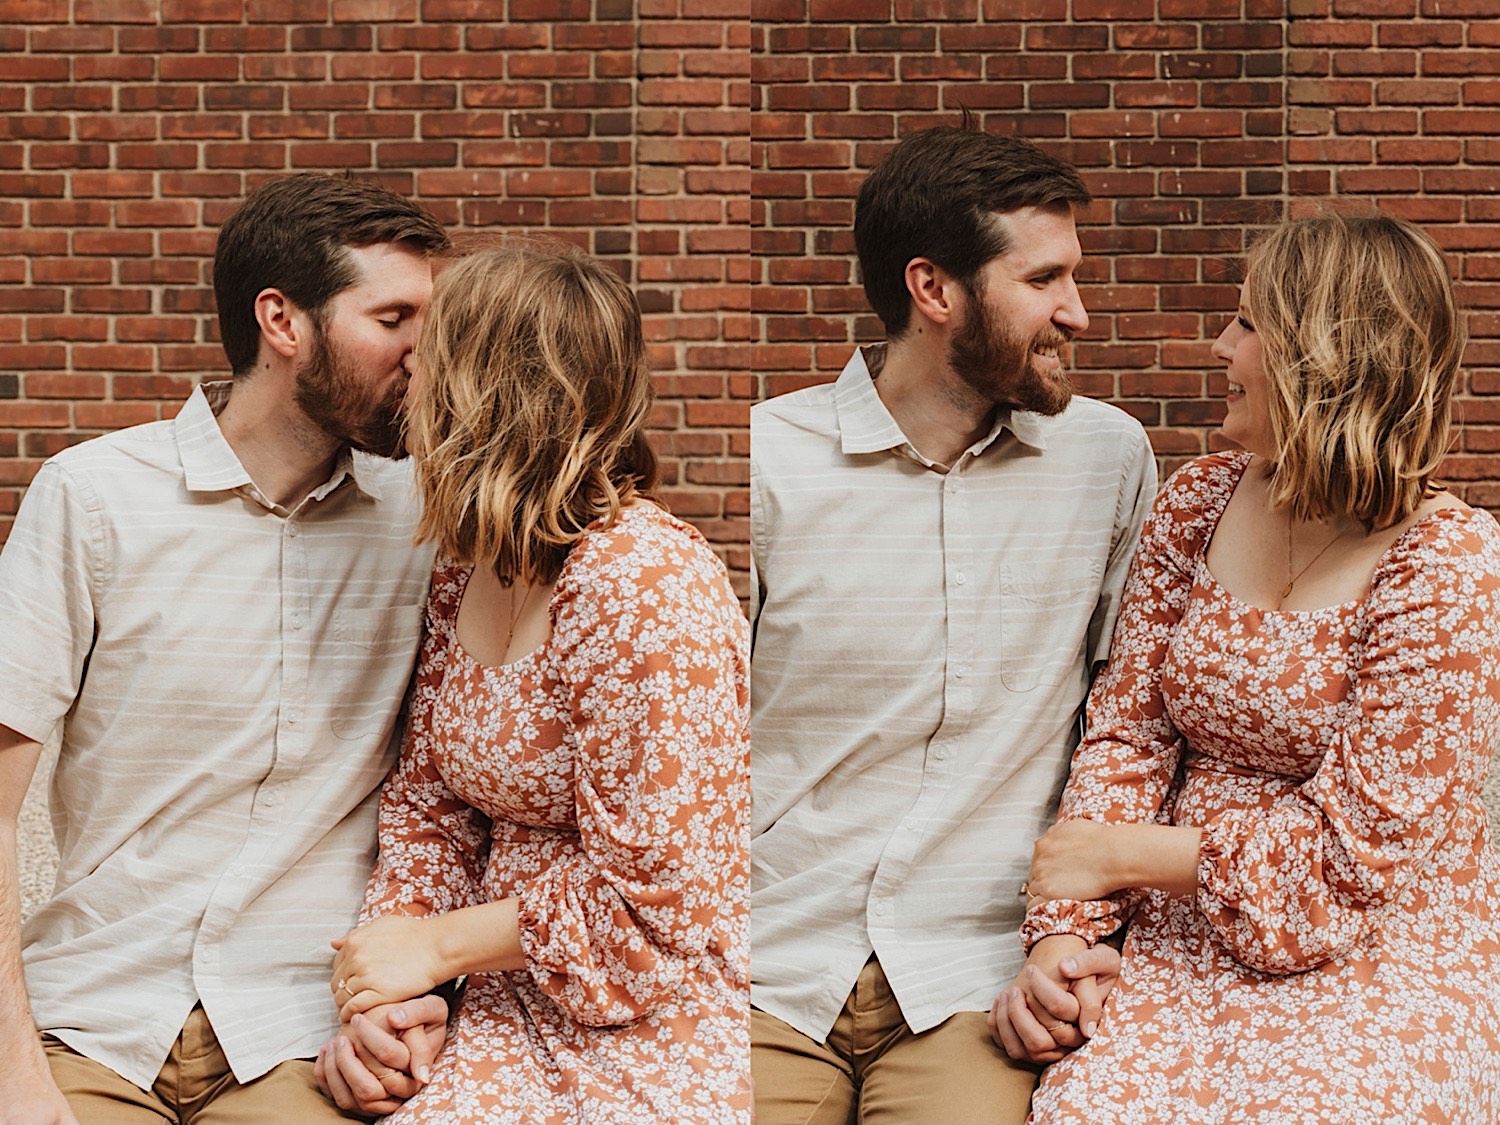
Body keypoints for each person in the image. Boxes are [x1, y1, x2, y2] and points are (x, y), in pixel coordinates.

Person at [998, 213, 1500, 1124]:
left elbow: (1344, 865)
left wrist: (1114, 856)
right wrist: (1064, 940)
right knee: (1094, 1105)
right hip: (1173, 929)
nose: (1218, 344)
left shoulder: (1449, 566)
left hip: (1375, 945)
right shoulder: (1198, 501)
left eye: (1245, 324)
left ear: (1324, 358)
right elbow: (1127, 735)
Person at [0, 173, 454, 1124]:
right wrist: (17, 1080)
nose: (428, 352)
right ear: (281, 322)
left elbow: (465, 797)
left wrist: (416, 1001)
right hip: (95, 1017)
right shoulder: (93, 498)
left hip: (308, 1032)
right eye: (395, 317)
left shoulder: (427, 522)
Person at [750, 123, 1155, 1124]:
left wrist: (1079, 937)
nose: (1079, 314)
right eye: (1044, 281)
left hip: (977, 977)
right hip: (769, 966)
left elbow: (1129, 729)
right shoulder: (768, 465)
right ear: (934, 290)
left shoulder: (1107, 461)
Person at [314, 241, 752, 1124]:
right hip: (487, 991)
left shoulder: (646, 584)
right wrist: (397, 1003)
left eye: (432, 351)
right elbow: (428, 807)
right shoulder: (467, 564)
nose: (413, 370)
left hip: (638, 1016)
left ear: (489, 392)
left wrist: (436, 945)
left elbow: (654, 910)